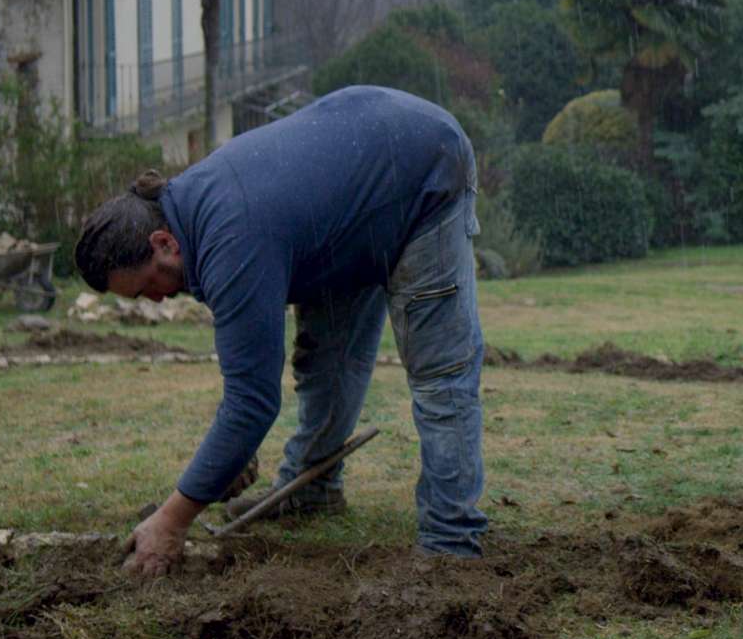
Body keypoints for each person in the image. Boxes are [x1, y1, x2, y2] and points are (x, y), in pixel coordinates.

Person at [76, 85, 488, 575]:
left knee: (440, 372)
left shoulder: (230, 236)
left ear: (163, 242)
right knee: (324, 361)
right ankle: (313, 488)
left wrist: (173, 520)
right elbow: (248, 375)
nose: (158, 299)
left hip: (423, 172)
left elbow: (251, 401)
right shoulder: (194, 214)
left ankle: (450, 540)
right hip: (348, 209)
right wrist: (230, 458)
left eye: (148, 287)